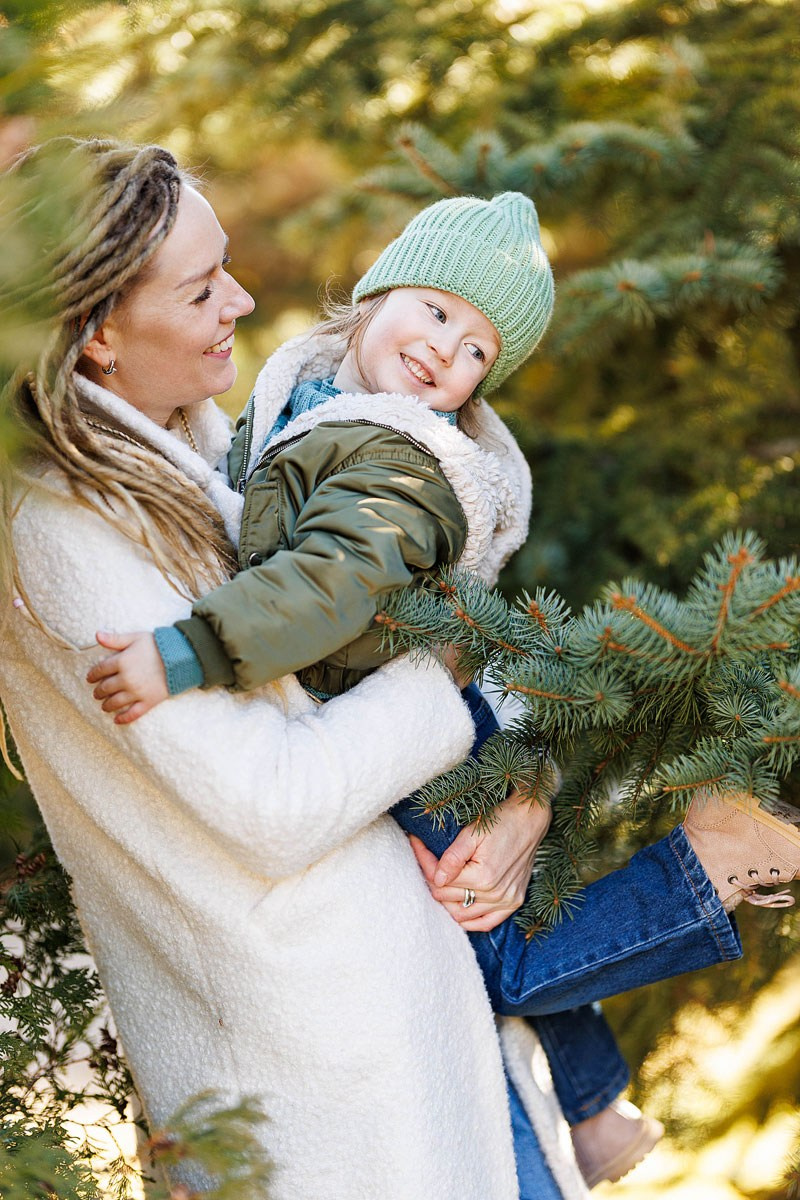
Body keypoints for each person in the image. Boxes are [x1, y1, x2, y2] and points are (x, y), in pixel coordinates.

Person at [2, 138, 799, 1200]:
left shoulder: (208, 440)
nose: (240, 300)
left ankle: (632, 1021)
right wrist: (456, 682)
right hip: (336, 1072)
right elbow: (277, 799)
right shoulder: (67, 530)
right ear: (98, 331)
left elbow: (368, 645)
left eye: (226, 264)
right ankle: (703, 872)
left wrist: (517, 786)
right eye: (201, 290)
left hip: (424, 998)